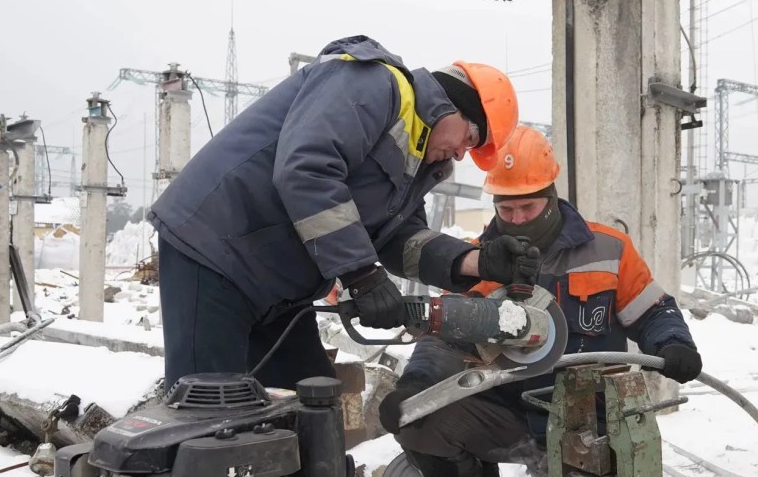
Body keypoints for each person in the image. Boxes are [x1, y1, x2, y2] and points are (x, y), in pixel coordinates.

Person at [378, 125, 702, 477]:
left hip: (587, 420)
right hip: (506, 413)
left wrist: (674, 345)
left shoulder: (608, 249)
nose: (514, 220)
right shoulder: (477, 261)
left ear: (550, 197)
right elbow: (447, 334)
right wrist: (415, 384)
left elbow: (652, 311)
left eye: (527, 207)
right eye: (505, 209)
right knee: (418, 418)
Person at [147, 35, 534, 390]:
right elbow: (307, 170)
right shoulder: (373, 84)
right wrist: (362, 274)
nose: (462, 154)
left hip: (274, 287)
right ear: (451, 104)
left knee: (310, 407)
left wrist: (476, 261)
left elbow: (399, 239)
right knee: (205, 409)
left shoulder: (416, 160)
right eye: (469, 138)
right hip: (215, 250)